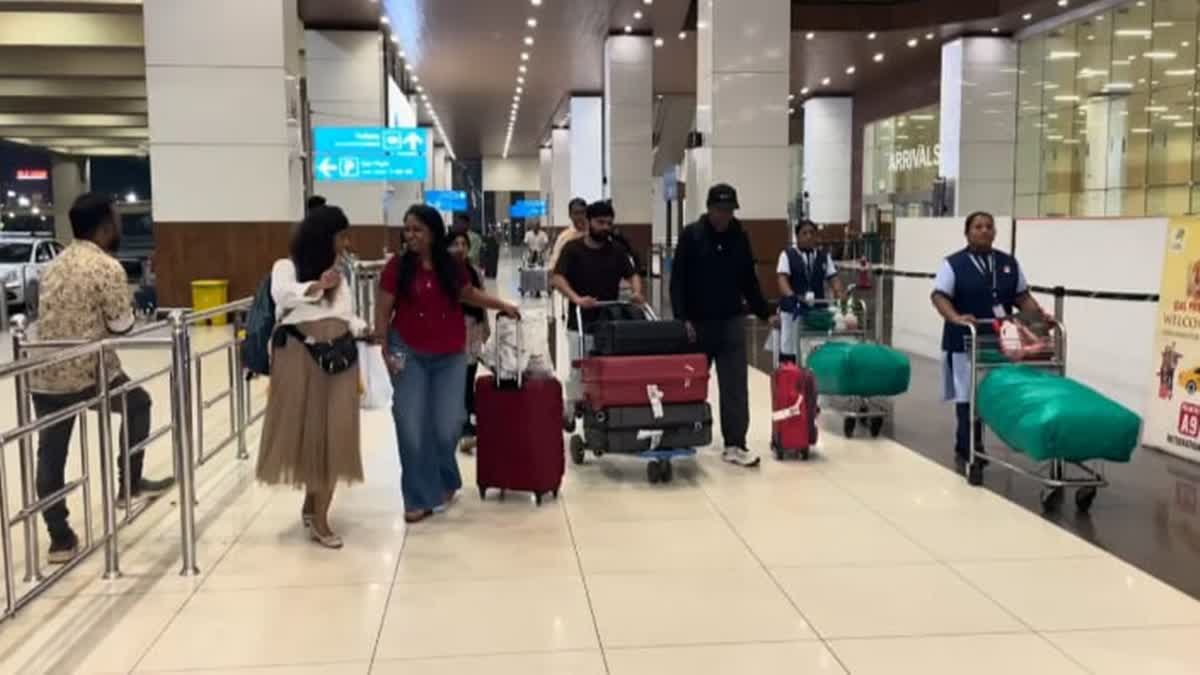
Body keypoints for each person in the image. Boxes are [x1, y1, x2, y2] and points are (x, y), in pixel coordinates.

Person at [31, 192, 176, 564]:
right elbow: (122, 325)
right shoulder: (106, 267)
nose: (120, 227)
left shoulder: (54, 263)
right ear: (105, 226)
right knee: (138, 403)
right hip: (89, 370)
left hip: (45, 371)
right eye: (117, 220)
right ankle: (129, 484)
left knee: (51, 451)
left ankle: (59, 539)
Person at [376, 205, 519, 524]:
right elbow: (383, 308)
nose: (410, 235)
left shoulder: (450, 266)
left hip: (449, 353)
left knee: (449, 423)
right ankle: (418, 497)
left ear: (433, 233)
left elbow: (468, 294)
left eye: (417, 230)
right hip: (408, 350)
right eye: (407, 229)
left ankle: (446, 478)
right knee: (410, 423)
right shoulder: (397, 268)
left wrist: (502, 305)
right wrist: (384, 346)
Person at [257, 206, 366, 549]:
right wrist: (318, 285)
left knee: (336, 433)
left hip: (339, 357)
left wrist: (364, 329)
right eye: (341, 236)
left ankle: (318, 513)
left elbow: (346, 314)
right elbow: (282, 295)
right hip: (298, 357)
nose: (346, 243)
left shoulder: (341, 274)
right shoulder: (285, 267)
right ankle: (315, 511)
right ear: (324, 237)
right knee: (308, 432)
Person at [670, 183, 773, 468]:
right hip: (697, 323)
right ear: (709, 208)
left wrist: (764, 312)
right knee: (689, 383)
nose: (724, 216)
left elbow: (748, 281)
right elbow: (678, 281)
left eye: (729, 211)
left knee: (735, 386)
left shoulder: (740, 236)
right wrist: (682, 319)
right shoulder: (691, 236)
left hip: (730, 322)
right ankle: (682, 434)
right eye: (720, 210)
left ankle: (735, 444)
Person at [931, 211, 1042, 466]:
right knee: (967, 394)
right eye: (978, 226)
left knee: (994, 391)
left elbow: (1022, 297)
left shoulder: (1008, 263)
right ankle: (968, 446)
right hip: (964, 341)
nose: (984, 231)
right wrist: (955, 317)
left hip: (1001, 342)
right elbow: (939, 296)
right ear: (967, 232)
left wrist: (1038, 319)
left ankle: (989, 442)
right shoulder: (953, 264)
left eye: (989, 226)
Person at [552, 200, 643, 426]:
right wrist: (577, 299)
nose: (605, 227)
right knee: (578, 368)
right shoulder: (572, 249)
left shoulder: (617, 250)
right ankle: (572, 408)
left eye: (609, 223)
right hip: (580, 321)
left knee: (608, 368)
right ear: (589, 222)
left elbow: (632, 274)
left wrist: (636, 292)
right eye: (600, 222)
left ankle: (606, 406)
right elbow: (557, 278)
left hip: (609, 322)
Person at [776, 219, 845, 362]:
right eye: (804, 233)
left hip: (817, 312)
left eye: (812, 233)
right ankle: (790, 378)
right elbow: (782, 279)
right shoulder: (787, 255)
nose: (808, 236)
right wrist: (791, 297)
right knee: (790, 350)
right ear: (797, 236)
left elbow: (833, 278)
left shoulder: (823, 256)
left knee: (814, 350)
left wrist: (840, 294)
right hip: (793, 312)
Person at [448, 230, 490, 451]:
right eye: (455, 243)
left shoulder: (474, 272)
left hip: (472, 329)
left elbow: (481, 299)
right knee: (458, 381)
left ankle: (468, 423)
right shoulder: (444, 272)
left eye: (463, 243)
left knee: (469, 376)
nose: (460, 248)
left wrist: (486, 325)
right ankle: (463, 426)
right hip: (452, 331)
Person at [547, 197, 589, 272]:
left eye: (583, 212)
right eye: (576, 213)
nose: (580, 217)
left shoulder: (594, 234)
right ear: (570, 215)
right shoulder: (564, 238)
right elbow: (554, 264)